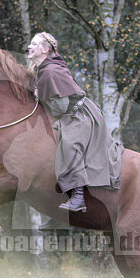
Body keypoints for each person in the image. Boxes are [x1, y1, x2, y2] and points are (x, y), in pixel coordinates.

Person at [27, 32, 123, 229]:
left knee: (69, 144)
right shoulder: (42, 70)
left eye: (34, 44)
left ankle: (78, 197)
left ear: (45, 49)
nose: (29, 47)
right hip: (68, 114)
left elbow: (61, 108)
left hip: (80, 115)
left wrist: (40, 98)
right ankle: (58, 209)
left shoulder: (51, 71)